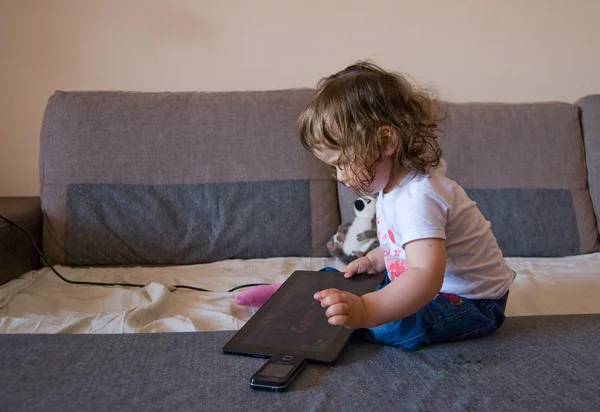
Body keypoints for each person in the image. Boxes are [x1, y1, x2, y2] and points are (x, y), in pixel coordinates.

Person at [298, 61, 515, 350]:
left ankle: (346, 317)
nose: (340, 178)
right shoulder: (393, 187)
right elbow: (400, 242)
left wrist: (366, 311)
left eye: (341, 164)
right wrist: (375, 260)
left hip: (471, 302)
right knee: (343, 279)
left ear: (385, 141)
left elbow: (425, 277)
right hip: (429, 282)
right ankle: (312, 299)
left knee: (392, 323)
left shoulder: (420, 197)